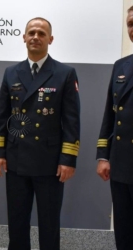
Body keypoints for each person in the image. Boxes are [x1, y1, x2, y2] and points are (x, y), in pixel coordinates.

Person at [0, 17, 80, 250]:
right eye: (31, 32)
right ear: (23, 37)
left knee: (49, 222)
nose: (35, 37)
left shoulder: (64, 73)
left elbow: (71, 121)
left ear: (50, 39)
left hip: (49, 162)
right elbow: (2, 117)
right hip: (16, 158)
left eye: (41, 33)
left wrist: (68, 159)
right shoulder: (11, 72)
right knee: (17, 220)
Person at [96, 6, 133, 250]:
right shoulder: (121, 65)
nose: (132, 29)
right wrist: (102, 156)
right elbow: (110, 115)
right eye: (130, 24)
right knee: (124, 229)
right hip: (121, 164)